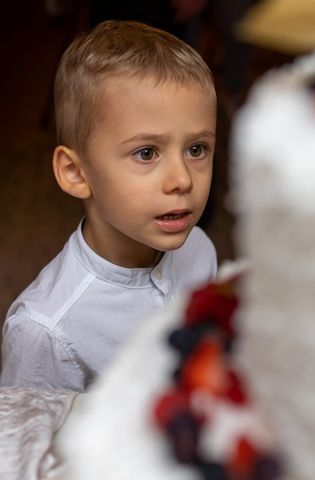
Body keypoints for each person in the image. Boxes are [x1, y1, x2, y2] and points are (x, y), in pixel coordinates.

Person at [0, 20, 218, 392]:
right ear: (76, 173)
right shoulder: (45, 332)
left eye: (196, 149)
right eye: (146, 153)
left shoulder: (199, 247)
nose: (183, 179)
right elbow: (32, 441)